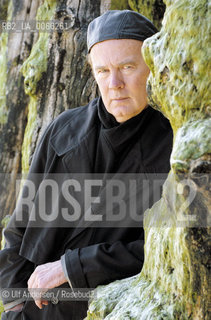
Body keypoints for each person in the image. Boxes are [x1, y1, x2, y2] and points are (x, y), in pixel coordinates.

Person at [0, 10, 173, 320]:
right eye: (103, 70)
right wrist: (12, 304)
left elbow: (171, 251)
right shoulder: (63, 130)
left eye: (127, 67)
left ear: (153, 67)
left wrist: (73, 266)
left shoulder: (174, 147)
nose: (115, 83)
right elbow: (19, 227)